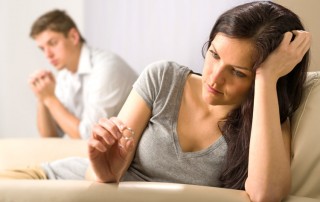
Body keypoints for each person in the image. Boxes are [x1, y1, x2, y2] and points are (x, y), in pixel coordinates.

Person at [0, 1, 311, 202]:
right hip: (55, 181)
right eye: (214, 54)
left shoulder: (264, 120)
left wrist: (267, 78)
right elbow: (99, 179)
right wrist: (104, 170)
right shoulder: (164, 78)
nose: (215, 78)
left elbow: (266, 195)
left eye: (238, 72)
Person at [28, 9, 137, 139]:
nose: (47, 54)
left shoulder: (106, 68)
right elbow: (51, 137)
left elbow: (88, 138)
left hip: (132, 153)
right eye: (42, 49)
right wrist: (42, 98)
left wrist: (50, 99)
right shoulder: (64, 75)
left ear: (74, 37)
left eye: (53, 43)